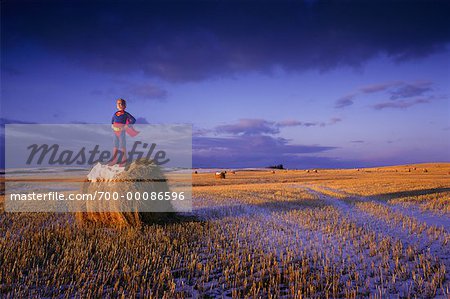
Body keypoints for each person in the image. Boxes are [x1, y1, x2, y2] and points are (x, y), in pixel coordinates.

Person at [109, 98, 137, 166]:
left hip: (121, 131)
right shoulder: (115, 114)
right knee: (115, 145)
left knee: (122, 145)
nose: (120, 105)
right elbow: (112, 121)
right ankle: (114, 160)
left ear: (125, 106)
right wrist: (112, 125)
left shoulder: (126, 114)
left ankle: (124, 161)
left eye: (122, 104)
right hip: (115, 131)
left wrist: (126, 126)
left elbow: (133, 120)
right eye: (118, 103)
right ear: (116, 105)